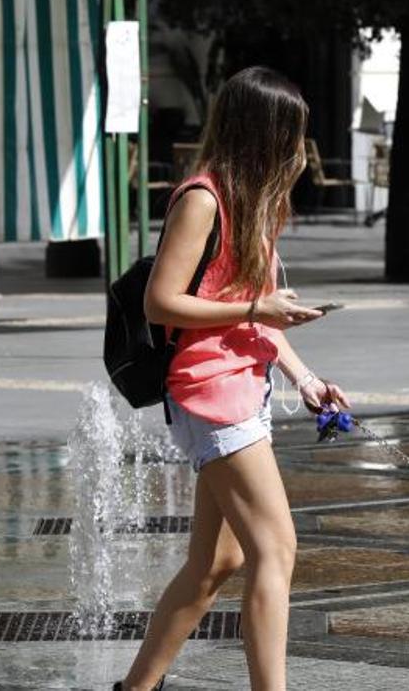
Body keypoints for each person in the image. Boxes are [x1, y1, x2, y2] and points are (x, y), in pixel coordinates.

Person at [117, 67, 351, 691]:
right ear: (263, 133)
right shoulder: (203, 199)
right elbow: (160, 302)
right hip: (209, 393)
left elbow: (260, 310)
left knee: (213, 562)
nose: (300, 148)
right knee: (276, 551)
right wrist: (255, 308)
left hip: (242, 386)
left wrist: (305, 377)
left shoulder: (255, 202)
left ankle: (135, 688)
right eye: (293, 134)